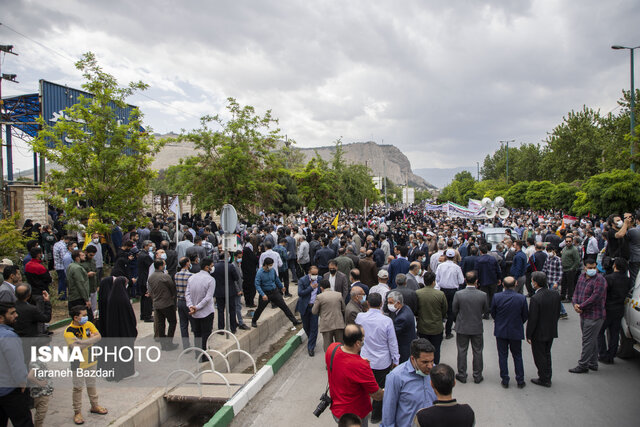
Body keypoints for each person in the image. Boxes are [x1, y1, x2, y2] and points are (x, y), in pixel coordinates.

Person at [326, 324, 384, 426]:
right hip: (355, 417)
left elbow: (343, 363)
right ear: (357, 343)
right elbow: (377, 395)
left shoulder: (332, 348)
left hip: (337, 410)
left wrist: (359, 361)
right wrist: (387, 390)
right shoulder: (360, 366)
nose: (364, 340)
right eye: (363, 338)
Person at [355, 292, 399, 423]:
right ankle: (375, 415)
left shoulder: (360, 317)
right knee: (379, 389)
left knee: (363, 387)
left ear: (367, 303)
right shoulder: (387, 321)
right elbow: (392, 342)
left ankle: (363, 411)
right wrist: (395, 359)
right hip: (382, 361)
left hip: (365, 359)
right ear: (381, 304)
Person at [63, 305, 108, 425]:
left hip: (92, 360)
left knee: (91, 384)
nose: (86, 317)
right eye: (83, 315)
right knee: (78, 388)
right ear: (76, 317)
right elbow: (75, 347)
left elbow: (99, 337)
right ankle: (77, 412)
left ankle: (94, 405)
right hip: (78, 364)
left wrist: (83, 342)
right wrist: (91, 340)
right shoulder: (69, 331)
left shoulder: (89, 324)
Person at [381, 338, 437, 427]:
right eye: (425, 362)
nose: (430, 366)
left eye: (432, 361)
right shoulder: (396, 377)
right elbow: (388, 411)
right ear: (413, 359)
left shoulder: (435, 372)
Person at [569, 259, 607, 374]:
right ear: (584, 267)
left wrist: (581, 306)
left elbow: (596, 297)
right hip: (583, 313)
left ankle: (583, 365)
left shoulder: (600, 279)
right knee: (591, 339)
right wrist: (575, 304)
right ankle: (592, 362)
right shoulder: (581, 277)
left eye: (593, 268)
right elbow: (576, 292)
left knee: (587, 340)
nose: (591, 270)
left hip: (594, 315)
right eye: (589, 268)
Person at [0, 301, 34, 427]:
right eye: (12, 313)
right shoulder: (9, 336)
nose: (16, 315)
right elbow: (17, 365)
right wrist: (22, 382)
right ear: (1, 317)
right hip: (11, 390)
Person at [491, 276, 528, 388]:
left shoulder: (497, 297)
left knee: (502, 355)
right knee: (517, 355)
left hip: (501, 330)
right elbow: (525, 315)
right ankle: (520, 380)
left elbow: (493, 312)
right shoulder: (521, 298)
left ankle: (505, 379)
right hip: (515, 330)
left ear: (503, 284)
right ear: (516, 284)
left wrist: (498, 321)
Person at [452, 271, 489, 384]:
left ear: (465, 280)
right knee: (477, 351)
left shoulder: (459, 294)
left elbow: (454, 310)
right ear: (476, 281)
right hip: (476, 326)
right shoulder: (482, 295)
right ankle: (477, 375)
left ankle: (462, 374)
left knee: (462, 350)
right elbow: (485, 310)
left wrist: (458, 320)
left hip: (462, 326)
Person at [526, 271, 561, 388]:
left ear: (535, 283)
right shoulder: (555, 294)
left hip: (539, 332)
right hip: (550, 329)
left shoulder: (536, 298)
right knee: (547, 353)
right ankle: (547, 375)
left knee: (539, 355)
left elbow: (533, 319)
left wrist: (529, 334)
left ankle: (544, 378)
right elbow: (557, 313)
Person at [598, 258, 632, 364]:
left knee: (600, 332)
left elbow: (602, 294)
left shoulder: (608, 278)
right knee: (615, 333)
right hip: (619, 309)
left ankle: (603, 354)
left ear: (615, 266)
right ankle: (611, 355)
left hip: (608, 309)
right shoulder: (627, 280)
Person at [103, 277, 138, 381]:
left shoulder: (111, 297)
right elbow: (130, 316)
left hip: (113, 331)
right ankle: (127, 372)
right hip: (125, 331)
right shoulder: (124, 299)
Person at [252, 257, 300, 328]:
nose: (271, 266)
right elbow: (257, 285)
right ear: (266, 264)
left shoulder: (272, 270)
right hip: (265, 293)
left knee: (284, 306)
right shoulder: (260, 273)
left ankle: (294, 321)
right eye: (270, 265)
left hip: (274, 291)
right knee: (260, 309)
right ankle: (254, 320)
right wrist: (262, 294)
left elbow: (276, 279)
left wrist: (281, 287)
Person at [415, 272, 447, 364]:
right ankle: (435, 367)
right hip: (436, 327)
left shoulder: (418, 293)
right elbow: (444, 310)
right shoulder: (440, 294)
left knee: (423, 350)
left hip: (423, 326)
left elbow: (416, 309)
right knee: (436, 349)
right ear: (433, 282)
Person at [186, 257, 216, 351]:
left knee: (197, 334)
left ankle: (198, 353)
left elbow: (187, 294)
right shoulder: (210, 280)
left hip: (194, 313)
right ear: (207, 267)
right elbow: (208, 297)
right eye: (212, 266)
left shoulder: (192, 278)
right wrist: (197, 307)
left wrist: (191, 306)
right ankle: (204, 354)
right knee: (206, 334)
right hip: (206, 312)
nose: (213, 268)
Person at [148, 259, 178, 350]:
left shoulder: (151, 277)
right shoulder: (165, 276)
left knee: (161, 324)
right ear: (161, 266)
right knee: (172, 322)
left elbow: (150, 291)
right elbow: (173, 289)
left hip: (157, 303)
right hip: (167, 303)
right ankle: (169, 343)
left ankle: (163, 344)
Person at [435, 249, 464, 339]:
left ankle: (439, 331)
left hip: (442, 290)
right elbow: (461, 281)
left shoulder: (440, 266)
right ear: (454, 257)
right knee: (451, 312)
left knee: (440, 310)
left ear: (446, 256)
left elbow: (437, 279)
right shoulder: (457, 268)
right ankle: (448, 332)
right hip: (453, 291)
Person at [313, 278, 346, 353]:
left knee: (328, 348)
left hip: (326, 325)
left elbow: (314, 311)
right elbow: (344, 309)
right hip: (339, 324)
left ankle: (330, 363)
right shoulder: (338, 294)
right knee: (340, 347)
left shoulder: (319, 297)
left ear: (321, 288)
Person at [211, 257, 240, 333]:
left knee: (220, 310)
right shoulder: (230, 266)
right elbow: (236, 277)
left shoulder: (215, 267)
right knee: (232, 310)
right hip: (230, 291)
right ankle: (233, 328)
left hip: (219, 292)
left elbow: (212, 277)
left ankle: (221, 329)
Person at [296, 266, 320, 356]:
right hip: (305, 306)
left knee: (314, 327)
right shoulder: (302, 280)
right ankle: (311, 340)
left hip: (315, 307)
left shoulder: (320, 279)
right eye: (313, 274)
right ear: (309, 273)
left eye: (316, 274)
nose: (315, 276)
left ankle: (311, 348)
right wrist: (311, 288)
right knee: (306, 326)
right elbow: (300, 293)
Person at [387, 291, 416, 363]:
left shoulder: (402, 318)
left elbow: (393, 333)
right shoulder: (405, 307)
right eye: (388, 302)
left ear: (398, 303)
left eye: (391, 303)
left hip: (404, 347)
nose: (388, 305)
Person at [474, 244, 501, 319]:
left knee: (485, 297)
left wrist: (476, 280)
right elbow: (497, 269)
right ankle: (494, 311)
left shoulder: (478, 260)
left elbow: (476, 271)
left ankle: (486, 313)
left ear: (480, 252)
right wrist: (499, 278)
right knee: (493, 296)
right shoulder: (492, 259)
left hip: (483, 280)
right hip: (493, 280)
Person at [542, 246, 568, 319]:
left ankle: (562, 312)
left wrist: (557, 282)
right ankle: (559, 312)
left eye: (550, 251)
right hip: (548, 280)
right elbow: (544, 269)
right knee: (552, 297)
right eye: (548, 251)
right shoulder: (547, 258)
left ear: (553, 251)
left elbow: (560, 273)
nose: (549, 252)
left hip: (554, 281)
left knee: (554, 297)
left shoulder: (558, 260)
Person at [67, 250, 93, 321]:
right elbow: (80, 284)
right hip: (79, 297)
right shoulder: (77, 268)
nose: (84, 256)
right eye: (82, 255)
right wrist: (86, 299)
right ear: (77, 258)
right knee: (87, 318)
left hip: (74, 296)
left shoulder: (71, 266)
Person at [174, 257, 194, 348]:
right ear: (187, 263)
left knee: (183, 324)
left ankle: (186, 345)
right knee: (194, 324)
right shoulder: (191, 276)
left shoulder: (176, 275)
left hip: (180, 302)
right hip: (188, 302)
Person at [136, 240, 155, 323]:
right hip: (145, 278)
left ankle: (143, 315)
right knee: (147, 297)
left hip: (141, 278)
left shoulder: (141, 254)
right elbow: (152, 265)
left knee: (143, 298)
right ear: (145, 246)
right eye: (149, 245)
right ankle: (147, 315)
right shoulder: (145, 256)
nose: (151, 247)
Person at [560, 236, 580, 302]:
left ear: (572, 241)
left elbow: (577, 260)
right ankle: (562, 296)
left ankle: (569, 297)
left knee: (570, 284)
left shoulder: (574, 249)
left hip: (570, 269)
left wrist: (572, 268)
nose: (568, 242)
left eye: (569, 241)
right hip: (564, 269)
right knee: (563, 283)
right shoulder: (565, 248)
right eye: (567, 241)